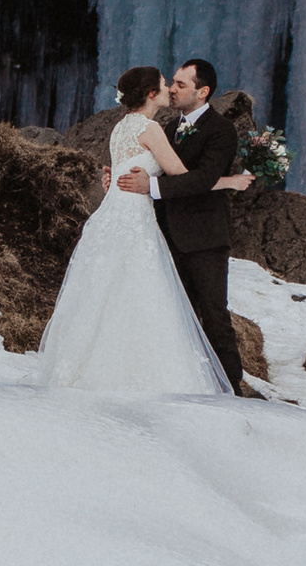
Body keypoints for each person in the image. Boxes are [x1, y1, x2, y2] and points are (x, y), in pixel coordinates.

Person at [35, 66, 232, 398]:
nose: (170, 89)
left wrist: (115, 178)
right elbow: (183, 176)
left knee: (108, 294)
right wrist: (230, 181)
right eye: (165, 84)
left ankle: (90, 369)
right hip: (135, 219)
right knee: (142, 294)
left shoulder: (121, 126)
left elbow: (123, 168)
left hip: (111, 217)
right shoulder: (151, 129)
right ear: (151, 94)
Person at [155, 53, 253, 394]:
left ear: (203, 91)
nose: (172, 89)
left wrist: (152, 187)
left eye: (181, 84)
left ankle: (231, 387)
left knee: (214, 314)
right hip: (168, 235)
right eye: (172, 82)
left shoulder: (221, 130)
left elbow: (202, 179)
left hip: (205, 238)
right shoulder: (169, 128)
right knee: (175, 314)